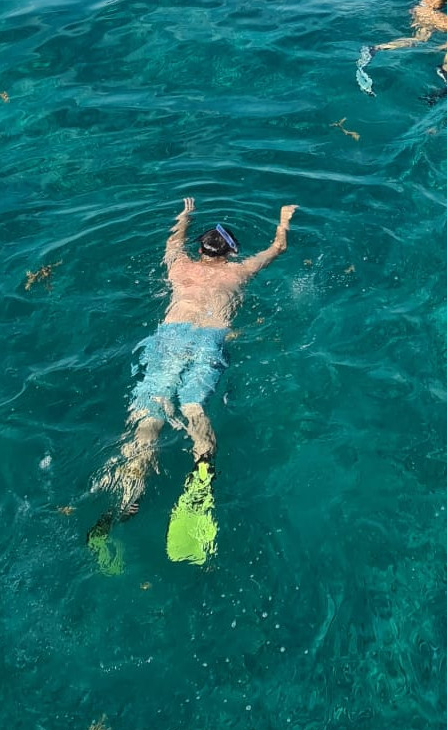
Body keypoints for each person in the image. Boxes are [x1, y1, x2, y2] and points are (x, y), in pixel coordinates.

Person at [90, 198, 297, 560]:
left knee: (150, 413)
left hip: (170, 338)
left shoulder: (180, 267)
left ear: (200, 249)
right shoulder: (238, 272)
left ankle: (129, 492)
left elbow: (171, 244)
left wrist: (184, 217)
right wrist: (283, 220)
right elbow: (278, 248)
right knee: (193, 406)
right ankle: (200, 474)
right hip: (208, 341)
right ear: (229, 255)